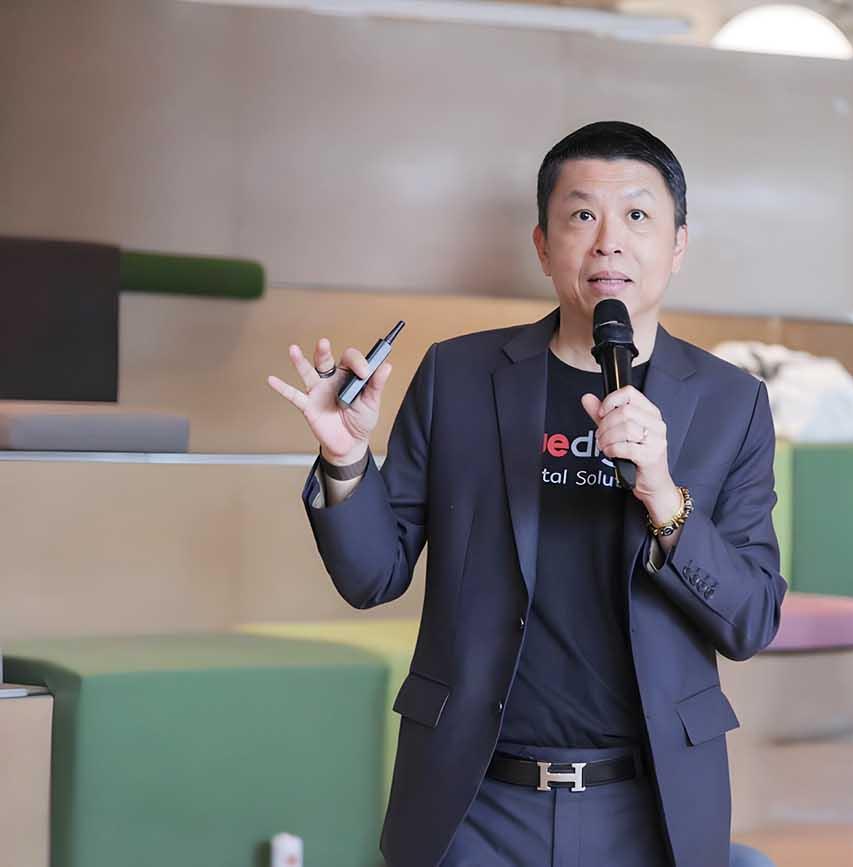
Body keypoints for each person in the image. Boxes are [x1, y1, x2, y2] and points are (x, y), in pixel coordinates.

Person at [267, 121, 785, 867]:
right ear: (543, 245)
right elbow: (372, 576)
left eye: (637, 215)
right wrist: (346, 456)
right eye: (582, 215)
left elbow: (751, 620)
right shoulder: (458, 376)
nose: (608, 242)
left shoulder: (731, 403)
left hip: (649, 807)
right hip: (474, 803)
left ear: (677, 245)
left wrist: (665, 496)